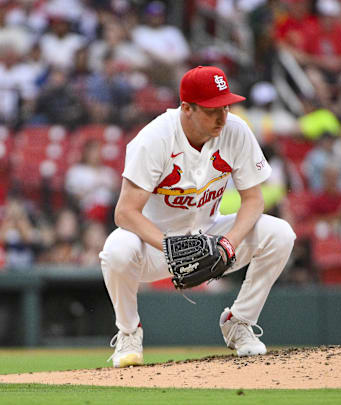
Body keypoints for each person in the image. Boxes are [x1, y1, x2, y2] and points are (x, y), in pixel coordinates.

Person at [98, 66, 296, 367]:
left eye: (226, 106)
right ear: (187, 108)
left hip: (210, 235)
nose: (222, 116)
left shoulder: (236, 131)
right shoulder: (155, 139)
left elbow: (254, 201)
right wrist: (168, 246)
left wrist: (229, 243)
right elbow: (124, 212)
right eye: (212, 109)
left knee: (280, 234)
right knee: (116, 251)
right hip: (153, 245)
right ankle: (128, 332)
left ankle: (238, 321)